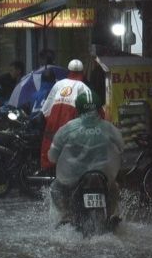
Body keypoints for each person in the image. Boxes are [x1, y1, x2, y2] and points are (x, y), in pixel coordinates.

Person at [47, 90, 123, 224]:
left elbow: (52, 156)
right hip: (103, 175)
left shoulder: (68, 129)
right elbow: (121, 147)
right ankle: (111, 214)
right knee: (114, 188)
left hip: (74, 177)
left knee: (55, 188)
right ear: (99, 109)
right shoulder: (108, 128)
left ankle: (66, 216)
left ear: (77, 110)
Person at [40, 59, 93, 171]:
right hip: (71, 129)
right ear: (82, 72)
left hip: (53, 128)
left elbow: (45, 110)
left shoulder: (58, 84)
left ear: (68, 71)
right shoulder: (84, 88)